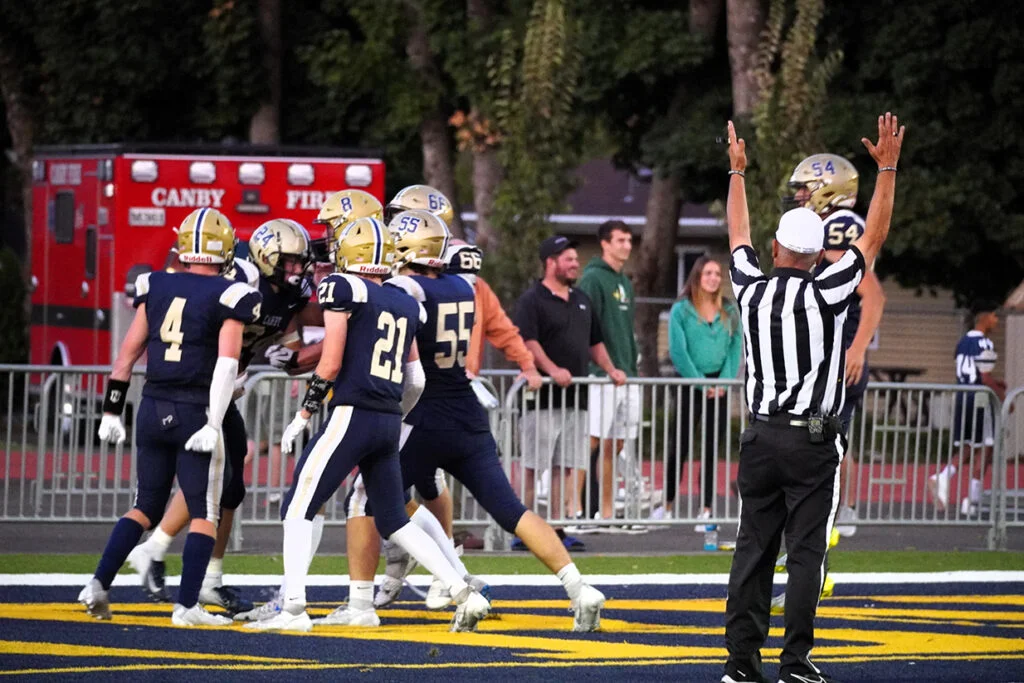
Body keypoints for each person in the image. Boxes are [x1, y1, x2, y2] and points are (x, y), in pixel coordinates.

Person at [720, 113, 904, 683]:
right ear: (818, 249)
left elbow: (737, 235)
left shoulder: (751, 290)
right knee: (805, 554)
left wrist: (737, 173)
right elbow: (873, 239)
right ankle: (795, 662)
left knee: (752, 551)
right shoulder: (827, 290)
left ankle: (740, 665)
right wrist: (887, 170)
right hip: (812, 440)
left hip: (760, 435)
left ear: (777, 247)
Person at [245, 216, 490, 633]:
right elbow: (416, 378)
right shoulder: (404, 300)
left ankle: (293, 609)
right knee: (394, 519)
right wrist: (397, 414)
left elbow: (330, 362)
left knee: (299, 507)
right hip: (388, 419)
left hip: (352, 413)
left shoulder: (342, 287)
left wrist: (303, 415)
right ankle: (464, 592)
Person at [375, 218, 606, 631]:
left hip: (424, 415)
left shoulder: (405, 288)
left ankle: (447, 586)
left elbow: (405, 355)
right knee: (511, 510)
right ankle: (579, 588)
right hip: (467, 412)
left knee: (372, 499)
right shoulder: (465, 288)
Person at [80, 208, 261, 626]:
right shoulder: (231, 293)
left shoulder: (156, 283)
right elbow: (226, 366)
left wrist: (111, 409)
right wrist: (214, 422)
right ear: (225, 249)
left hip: (151, 406)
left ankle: (98, 584)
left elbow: (126, 355)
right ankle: (187, 606)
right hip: (194, 410)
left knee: (145, 506)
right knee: (204, 512)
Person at [127, 218, 315, 615]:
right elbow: (198, 317)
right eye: (290, 262)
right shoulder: (241, 278)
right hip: (201, 388)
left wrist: (297, 355)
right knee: (211, 481)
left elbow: (292, 347)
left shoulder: (288, 298)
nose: (298, 270)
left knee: (231, 489)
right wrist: (227, 371)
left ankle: (207, 579)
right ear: (266, 257)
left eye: (301, 262)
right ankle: (157, 549)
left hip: (223, 390)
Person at [373, 239, 544, 608]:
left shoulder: (413, 285)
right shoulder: (452, 286)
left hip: (424, 400)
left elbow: (499, 327)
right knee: (402, 489)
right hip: (438, 397)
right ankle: (433, 567)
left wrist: (527, 362)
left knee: (379, 492)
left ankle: (438, 572)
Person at [785, 153, 889, 536]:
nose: (798, 195)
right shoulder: (820, 232)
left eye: (804, 188)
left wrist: (857, 349)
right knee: (821, 436)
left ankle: (837, 511)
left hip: (840, 362)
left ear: (825, 191)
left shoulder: (840, 231)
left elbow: (873, 296)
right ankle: (826, 510)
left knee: (828, 439)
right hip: (824, 361)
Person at [663, 256, 742, 528]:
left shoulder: (729, 310)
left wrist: (723, 383)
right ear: (697, 276)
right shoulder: (681, 310)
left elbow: (735, 348)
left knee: (711, 448)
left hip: (720, 387)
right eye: (708, 273)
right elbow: (678, 351)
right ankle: (667, 505)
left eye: (717, 274)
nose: (713, 278)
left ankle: (706, 509)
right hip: (689, 384)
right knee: (680, 445)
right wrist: (701, 383)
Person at [576, 221, 637, 524]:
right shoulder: (592, 279)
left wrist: (630, 366)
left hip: (627, 373)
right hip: (601, 376)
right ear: (605, 243)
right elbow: (584, 328)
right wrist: (602, 366)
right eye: (620, 240)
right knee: (591, 441)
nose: (627, 245)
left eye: (629, 240)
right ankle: (573, 510)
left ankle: (607, 511)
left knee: (617, 443)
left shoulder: (624, 281)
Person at [929, 301, 1006, 515]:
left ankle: (956, 486)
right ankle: (968, 497)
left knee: (971, 444)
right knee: (985, 446)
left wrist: (996, 383)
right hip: (979, 398)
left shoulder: (962, 342)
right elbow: (984, 376)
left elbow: (970, 369)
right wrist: (1001, 396)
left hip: (963, 395)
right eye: (994, 316)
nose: (996, 321)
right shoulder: (985, 343)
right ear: (984, 318)